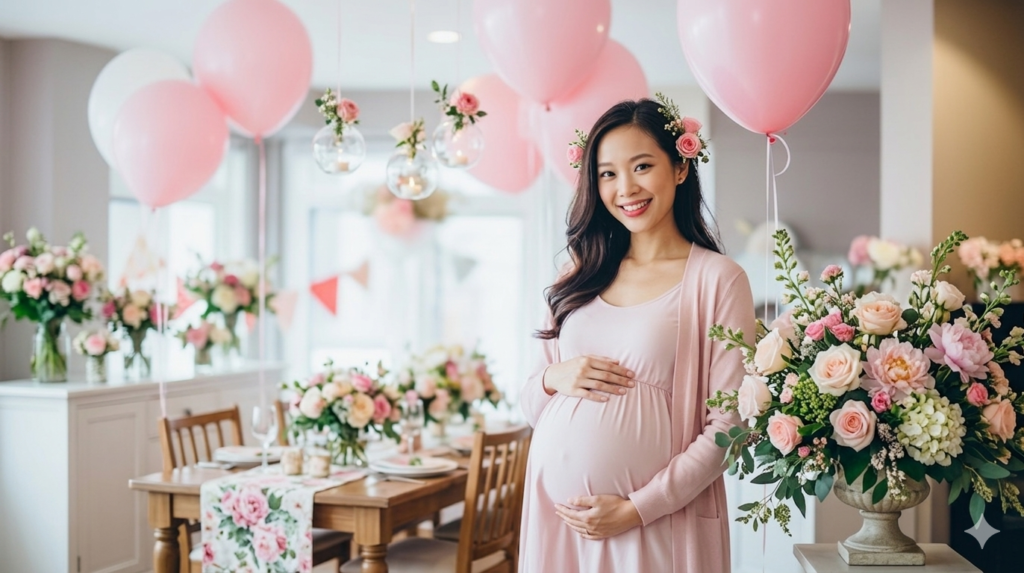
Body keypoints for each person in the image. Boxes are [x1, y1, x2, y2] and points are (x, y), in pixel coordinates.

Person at [518, 96, 755, 573]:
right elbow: (528, 404)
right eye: (607, 173)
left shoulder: (717, 279)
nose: (625, 187)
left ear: (680, 168)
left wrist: (636, 508)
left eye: (642, 166)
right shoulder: (578, 274)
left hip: (653, 522)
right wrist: (553, 378)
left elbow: (731, 426)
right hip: (556, 521)